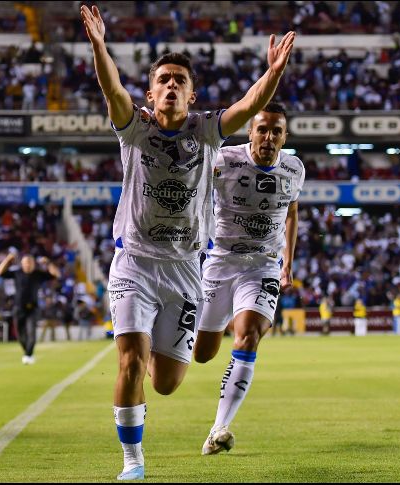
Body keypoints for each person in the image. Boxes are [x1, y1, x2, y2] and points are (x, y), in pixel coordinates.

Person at [80, 4, 295, 479]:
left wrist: (272, 73)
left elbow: (248, 107)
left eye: (180, 79)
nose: (172, 85)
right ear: (151, 92)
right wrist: (99, 45)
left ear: (192, 93)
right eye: (164, 79)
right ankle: (133, 461)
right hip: (134, 262)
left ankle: (142, 399)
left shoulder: (206, 131)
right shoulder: (133, 127)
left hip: (185, 271)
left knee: (167, 383)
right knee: (130, 359)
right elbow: (111, 87)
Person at [192, 103, 305, 455]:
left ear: (285, 137)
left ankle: (219, 428)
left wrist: (287, 262)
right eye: (262, 129)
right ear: (251, 131)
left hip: (263, 267)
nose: (269, 137)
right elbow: (192, 190)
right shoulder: (224, 161)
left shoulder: (294, 168)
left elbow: (292, 212)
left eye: (276, 132)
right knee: (202, 354)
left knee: (248, 336)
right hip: (220, 264)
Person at [0, 254, 60, 365]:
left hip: (33, 308)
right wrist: (7, 260)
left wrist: (48, 263)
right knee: (21, 336)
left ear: (34, 264)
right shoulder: (17, 273)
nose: (28, 264)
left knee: (31, 333)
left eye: (30, 262)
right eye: (26, 262)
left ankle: (27, 355)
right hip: (18, 308)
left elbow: (56, 274)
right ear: (22, 263)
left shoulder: (38, 274)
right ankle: (28, 353)